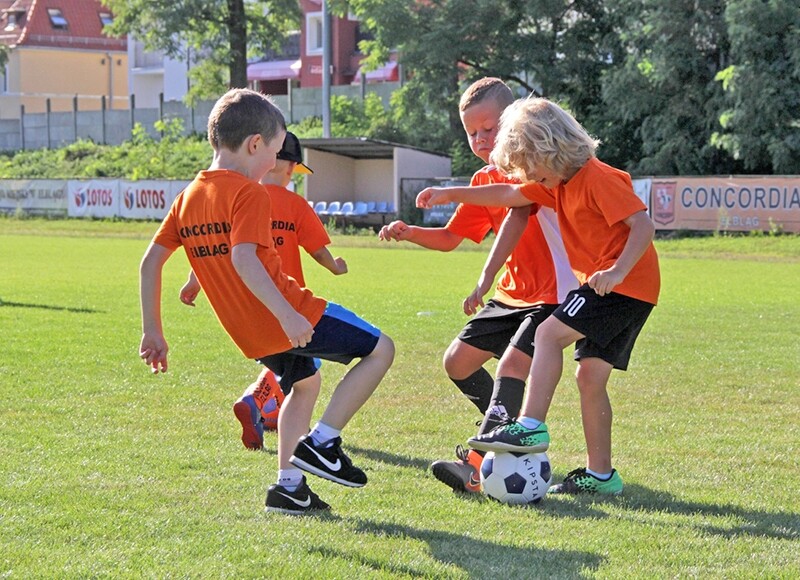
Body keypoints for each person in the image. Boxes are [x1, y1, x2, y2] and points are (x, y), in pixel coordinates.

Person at [139, 88, 395, 514]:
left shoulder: (187, 198)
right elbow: (243, 258)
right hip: (288, 313)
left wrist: (153, 332)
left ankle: (289, 487)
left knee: (305, 384)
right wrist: (289, 315)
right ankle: (324, 441)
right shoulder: (249, 193)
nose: (274, 163)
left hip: (248, 334)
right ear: (255, 144)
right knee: (382, 349)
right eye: (275, 152)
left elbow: (150, 263)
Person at [416, 96, 660, 495]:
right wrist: (451, 194)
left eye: (535, 173)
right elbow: (510, 196)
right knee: (590, 377)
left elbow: (643, 226)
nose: (534, 182)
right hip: (627, 289)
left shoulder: (598, 177)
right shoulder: (559, 184)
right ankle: (602, 476)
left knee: (548, 333)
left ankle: (530, 425)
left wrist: (616, 271)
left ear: (550, 150)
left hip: (620, 286)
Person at [379, 78, 575, 494]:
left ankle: (477, 463)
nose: (481, 139)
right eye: (472, 132)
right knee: (458, 362)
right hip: (512, 294)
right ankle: (507, 431)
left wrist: (483, 278)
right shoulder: (484, 179)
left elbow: (516, 213)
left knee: (511, 366)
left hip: (554, 294)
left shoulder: (535, 169)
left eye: (490, 128)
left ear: (514, 121)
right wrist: (410, 232)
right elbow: (452, 237)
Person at [178, 131, 348, 451]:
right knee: (305, 364)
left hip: (248, 300)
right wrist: (336, 267)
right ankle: (256, 401)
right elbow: (318, 250)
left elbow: (218, 244)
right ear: (288, 167)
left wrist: (194, 280)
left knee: (287, 363)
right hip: (288, 302)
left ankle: (269, 410)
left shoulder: (239, 195)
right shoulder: (294, 203)